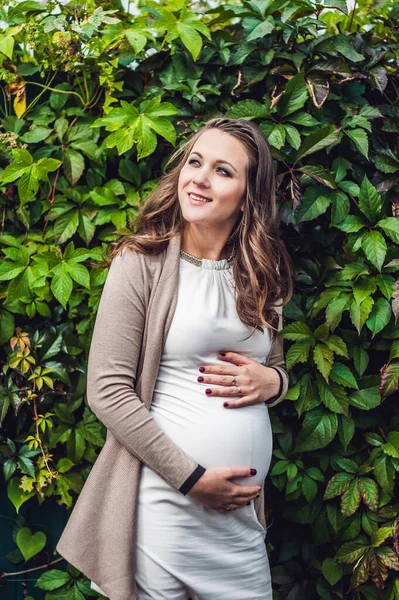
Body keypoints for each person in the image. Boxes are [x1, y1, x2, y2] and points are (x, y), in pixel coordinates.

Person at [56, 117, 293, 600]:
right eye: (195, 162)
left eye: (223, 170)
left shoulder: (263, 271)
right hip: (166, 503)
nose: (200, 178)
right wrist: (192, 479)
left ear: (248, 194)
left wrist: (274, 383)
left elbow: (277, 368)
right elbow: (107, 391)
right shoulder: (139, 262)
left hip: (238, 522)